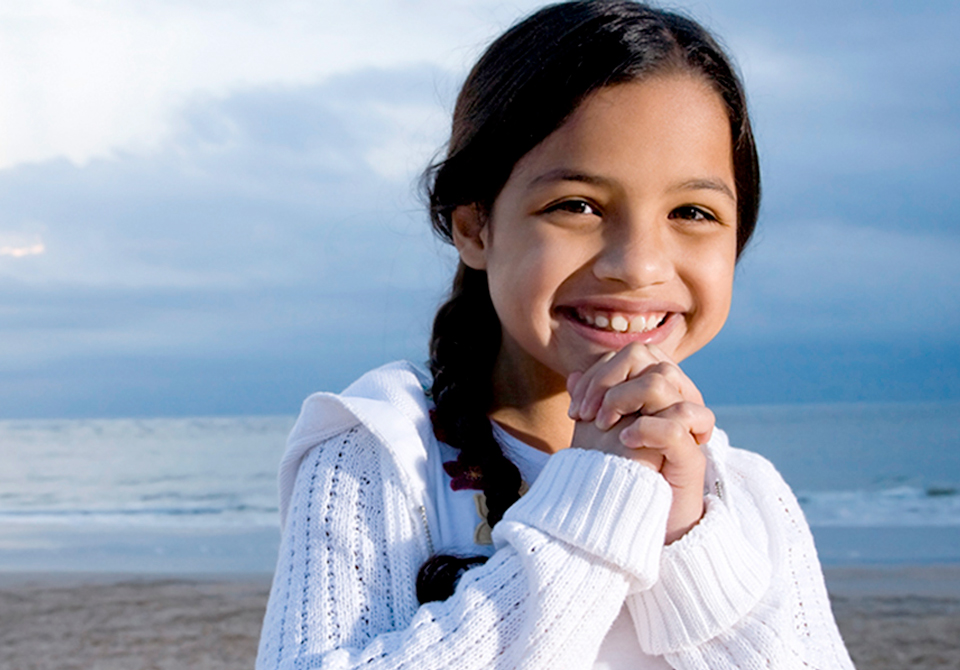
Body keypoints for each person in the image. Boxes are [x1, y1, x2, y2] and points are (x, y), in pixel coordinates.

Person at [256, 1, 855, 668]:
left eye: (692, 211)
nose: (639, 265)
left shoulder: (743, 494)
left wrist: (686, 541)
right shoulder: (381, 451)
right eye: (577, 206)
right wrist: (594, 503)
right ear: (474, 226)